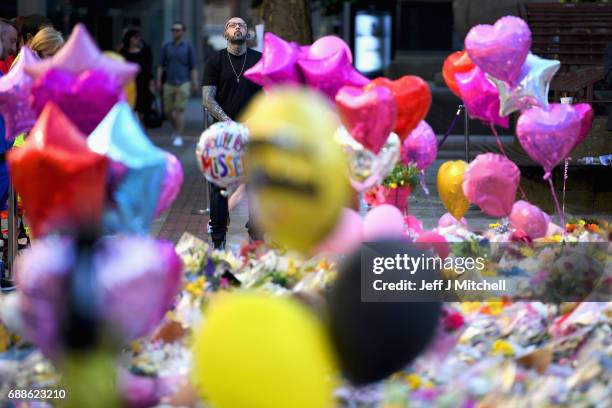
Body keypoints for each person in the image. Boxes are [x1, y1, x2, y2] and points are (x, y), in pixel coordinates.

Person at [201, 17, 263, 250]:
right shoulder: (215, 61)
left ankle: (257, 238)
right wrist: (230, 123)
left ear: (247, 33)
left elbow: (268, 95)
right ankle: (218, 238)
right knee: (219, 185)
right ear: (226, 33)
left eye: (242, 25)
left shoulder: (259, 60)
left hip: (254, 131)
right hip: (222, 135)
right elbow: (208, 99)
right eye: (232, 25)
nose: (237, 27)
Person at [156, 22, 198, 147]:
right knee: (167, 111)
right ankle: (176, 129)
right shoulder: (166, 46)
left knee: (179, 110)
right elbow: (160, 65)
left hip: (184, 82)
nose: (175, 32)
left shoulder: (188, 47)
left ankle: (179, 135)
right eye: (173, 30)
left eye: (178, 30)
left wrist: (194, 81)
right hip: (169, 82)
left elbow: (193, 67)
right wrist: (158, 81)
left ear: (183, 32)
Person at [120, 28, 154, 126]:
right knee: (130, 108)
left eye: (139, 37)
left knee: (142, 110)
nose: (138, 39)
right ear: (129, 39)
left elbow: (148, 68)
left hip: (143, 83)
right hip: (128, 84)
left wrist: (151, 82)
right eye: (135, 37)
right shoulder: (123, 52)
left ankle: (142, 130)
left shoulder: (144, 50)